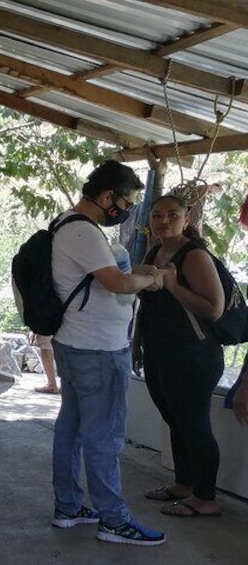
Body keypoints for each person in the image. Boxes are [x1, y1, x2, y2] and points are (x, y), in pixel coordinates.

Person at [49, 160, 170, 546]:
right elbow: (117, 284)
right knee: (104, 436)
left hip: (76, 344)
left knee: (72, 428)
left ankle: (69, 506)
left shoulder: (68, 225)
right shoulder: (83, 231)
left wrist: (138, 268)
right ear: (107, 197)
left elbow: (102, 273)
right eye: (128, 201)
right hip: (97, 349)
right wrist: (151, 279)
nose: (129, 208)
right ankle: (113, 519)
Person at [134, 194, 225, 518]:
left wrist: (171, 284)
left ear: (187, 219)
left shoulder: (194, 255)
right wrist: (138, 344)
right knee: (175, 419)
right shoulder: (156, 250)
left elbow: (213, 308)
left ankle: (205, 498)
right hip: (161, 351)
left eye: (173, 215)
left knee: (194, 423)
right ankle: (184, 484)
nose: (164, 221)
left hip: (194, 354)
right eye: (157, 215)